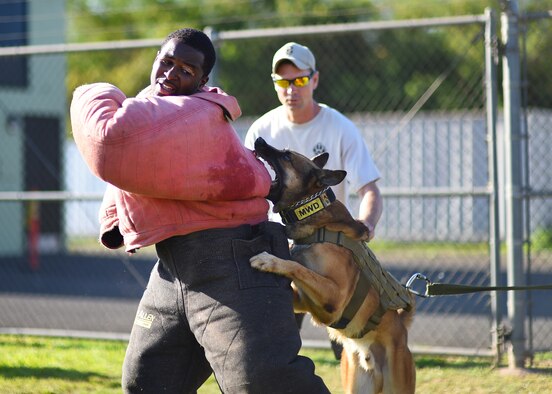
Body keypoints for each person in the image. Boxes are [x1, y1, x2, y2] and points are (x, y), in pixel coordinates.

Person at [71, 29, 329, 394]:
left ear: (202, 80)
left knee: (265, 383)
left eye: (186, 70)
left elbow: (108, 143)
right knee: (148, 382)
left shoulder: (196, 112)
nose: (171, 74)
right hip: (175, 264)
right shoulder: (154, 105)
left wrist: (91, 91)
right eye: (166, 62)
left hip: (234, 258)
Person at [244, 42, 383, 359]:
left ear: (315, 80)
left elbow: (369, 189)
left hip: (328, 251)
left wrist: (366, 226)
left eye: (300, 80)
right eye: (283, 81)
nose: (291, 89)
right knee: (275, 349)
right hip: (278, 246)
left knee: (351, 349)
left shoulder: (339, 127)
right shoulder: (261, 130)